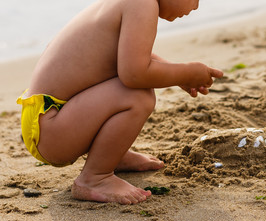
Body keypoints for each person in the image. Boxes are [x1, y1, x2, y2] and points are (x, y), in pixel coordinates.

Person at [16, 0, 223, 205]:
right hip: (52, 129)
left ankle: (113, 156)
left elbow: (129, 51)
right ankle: (95, 178)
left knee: (132, 91)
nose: (196, 6)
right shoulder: (142, 4)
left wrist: (179, 75)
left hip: (49, 120)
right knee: (138, 96)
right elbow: (134, 73)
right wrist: (187, 71)